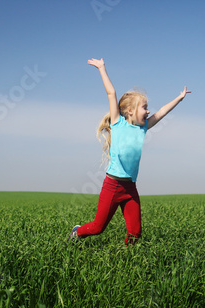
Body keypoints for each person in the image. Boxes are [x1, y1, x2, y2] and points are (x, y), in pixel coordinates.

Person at [68, 58, 191, 244]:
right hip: (112, 186)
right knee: (98, 228)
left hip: (130, 187)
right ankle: (77, 232)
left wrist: (179, 98)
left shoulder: (143, 128)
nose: (148, 111)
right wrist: (102, 68)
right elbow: (111, 93)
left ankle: (127, 260)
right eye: (145, 107)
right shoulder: (118, 123)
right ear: (130, 110)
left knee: (135, 232)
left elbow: (163, 112)